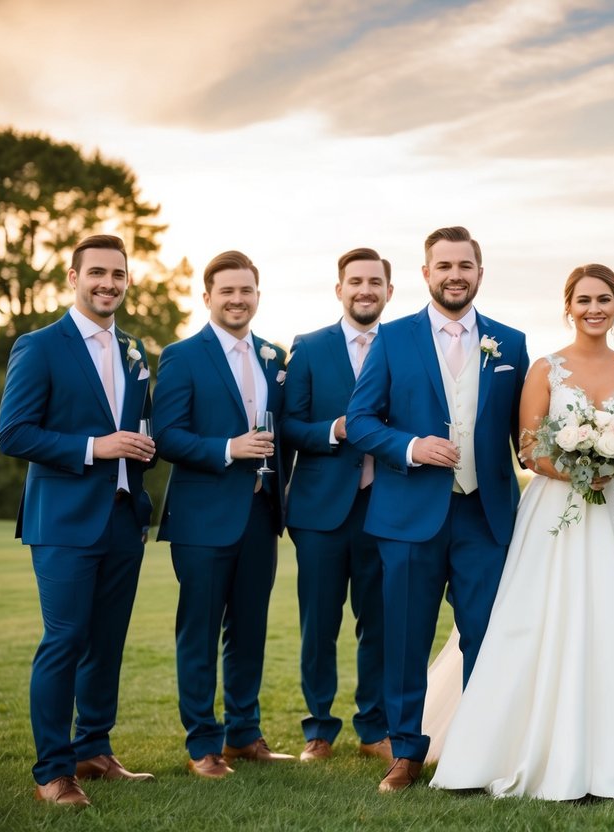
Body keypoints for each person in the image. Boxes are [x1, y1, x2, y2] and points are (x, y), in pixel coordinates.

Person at [430, 265, 614, 800]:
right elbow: (528, 447)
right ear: (568, 307)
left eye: (604, 299)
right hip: (555, 509)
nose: (593, 308)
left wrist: (613, 461)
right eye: (583, 300)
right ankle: (520, 745)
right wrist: (578, 468)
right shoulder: (544, 368)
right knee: (538, 618)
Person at [345, 226, 529, 792]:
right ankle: (406, 752)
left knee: (486, 636)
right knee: (406, 635)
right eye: (443, 266)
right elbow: (360, 421)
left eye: (464, 266)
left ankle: (477, 751)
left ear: (479, 272)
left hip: (486, 514)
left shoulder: (511, 342)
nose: (454, 275)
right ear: (426, 274)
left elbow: (528, 428)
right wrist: (410, 447)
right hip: (409, 514)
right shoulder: (393, 338)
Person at [0, 234, 156, 807]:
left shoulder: (136, 349)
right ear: (72, 277)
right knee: (64, 640)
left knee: (107, 643)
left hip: (122, 519)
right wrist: (97, 446)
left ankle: (93, 747)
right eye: (97, 273)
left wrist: (141, 447)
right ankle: (52, 771)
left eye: (117, 274)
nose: (107, 283)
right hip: (63, 520)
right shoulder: (40, 346)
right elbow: (13, 433)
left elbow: (133, 431)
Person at [155, 250, 294, 778]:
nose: (238, 300)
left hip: (261, 513)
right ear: (207, 296)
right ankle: (202, 746)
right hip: (203, 517)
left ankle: (243, 735)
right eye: (228, 291)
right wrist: (228, 448)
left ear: (258, 295)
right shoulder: (182, 356)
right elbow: (166, 435)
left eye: (247, 291)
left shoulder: (273, 356)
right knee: (200, 631)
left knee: (250, 629)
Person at [280, 248, 395, 764]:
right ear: (339, 289)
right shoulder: (308, 348)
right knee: (319, 623)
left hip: (384, 505)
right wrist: (333, 430)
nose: (365, 289)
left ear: (389, 291)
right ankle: (319, 731)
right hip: (321, 509)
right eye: (356, 281)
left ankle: (374, 728)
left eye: (375, 281)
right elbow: (288, 424)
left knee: (379, 623)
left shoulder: (405, 344)